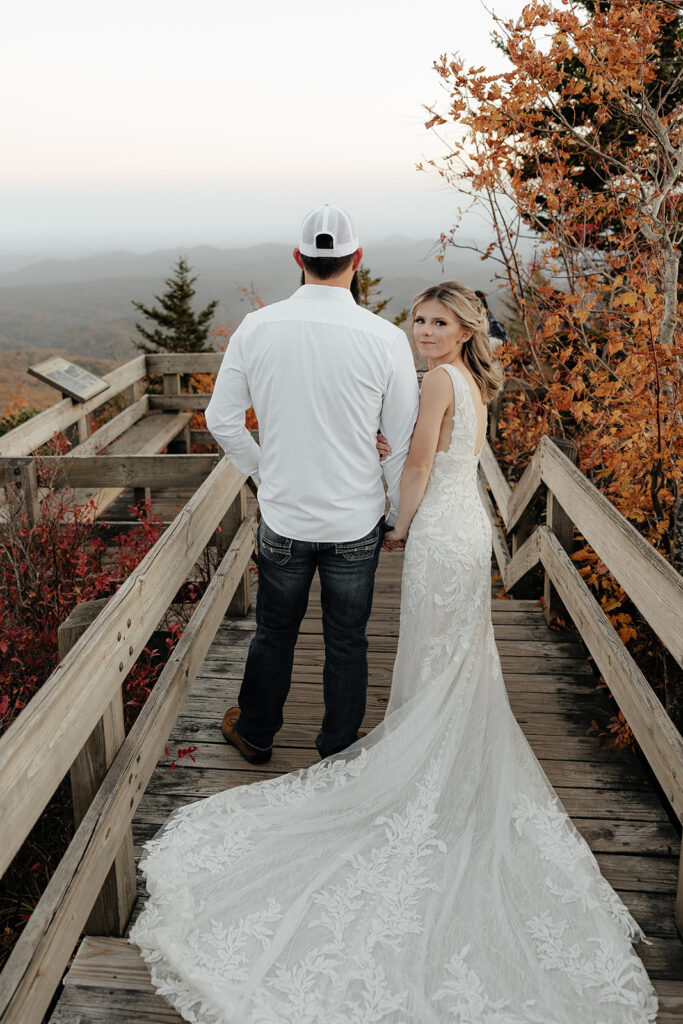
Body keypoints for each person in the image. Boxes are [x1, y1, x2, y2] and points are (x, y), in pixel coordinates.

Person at [130, 281, 658, 1023]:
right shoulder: (468, 381)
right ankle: (427, 752)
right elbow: (435, 449)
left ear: (463, 329)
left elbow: (415, 468)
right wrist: (401, 454)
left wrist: (395, 522)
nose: (421, 329)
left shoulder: (439, 377)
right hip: (466, 524)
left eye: (438, 321)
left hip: (436, 531)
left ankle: (414, 766)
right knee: (454, 659)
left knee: (436, 653)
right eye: (417, 318)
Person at [204, 204, 419, 761]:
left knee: (274, 633)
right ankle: (338, 747)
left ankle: (255, 733)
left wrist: (260, 470)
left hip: (284, 516)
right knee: (347, 640)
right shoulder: (386, 338)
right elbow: (399, 444)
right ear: (357, 260)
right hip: (355, 519)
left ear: (299, 258)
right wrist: (400, 517)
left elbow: (221, 419)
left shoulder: (258, 327)